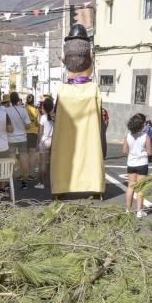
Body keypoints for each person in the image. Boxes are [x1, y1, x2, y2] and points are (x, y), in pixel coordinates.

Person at [51, 24, 105, 196]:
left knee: (63, 148)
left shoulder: (62, 89)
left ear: (65, 58)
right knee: (91, 146)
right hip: (87, 96)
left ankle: (61, 186)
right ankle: (94, 185)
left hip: (68, 99)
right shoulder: (93, 89)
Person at [123, 113, 152, 217]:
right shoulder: (145, 136)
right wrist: (142, 152)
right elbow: (149, 152)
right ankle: (139, 211)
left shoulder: (128, 136)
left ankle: (128, 209)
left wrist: (133, 153)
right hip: (142, 163)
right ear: (142, 125)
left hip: (131, 163)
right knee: (140, 188)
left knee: (131, 186)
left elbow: (124, 151)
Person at [6, 91, 30, 190]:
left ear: (10, 100)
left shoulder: (6, 110)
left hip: (10, 138)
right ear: (18, 100)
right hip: (22, 138)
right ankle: (24, 182)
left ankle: (9, 182)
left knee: (11, 160)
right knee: (23, 159)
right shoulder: (23, 110)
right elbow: (28, 125)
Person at [35, 96, 54, 190]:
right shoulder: (55, 117)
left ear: (44, 107)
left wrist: (37, 144)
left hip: (44, 141)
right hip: (53, 141)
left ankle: (41, 183)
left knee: (42, 163)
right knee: (51, 163)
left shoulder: (43, 118)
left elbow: (40, 133)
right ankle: (53, 182)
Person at [25, 93, 39, 180]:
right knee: (32, 155)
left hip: (24, 133)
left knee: (24, 155)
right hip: (33, 133)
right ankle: (31, 174)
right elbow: (38, 123)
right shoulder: (35, 110)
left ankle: (24, 174)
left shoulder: (23, 109)